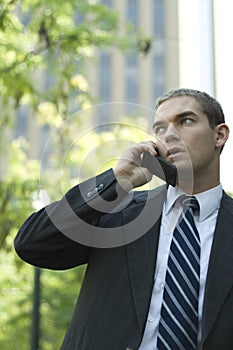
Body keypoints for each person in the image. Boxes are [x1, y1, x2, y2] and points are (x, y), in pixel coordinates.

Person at [14, 88, 233, 350]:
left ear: (219, 135)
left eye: (185, 121)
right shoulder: (118, 211)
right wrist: (117, 181)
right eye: (160, 129)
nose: (169, 135)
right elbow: (33, 244)